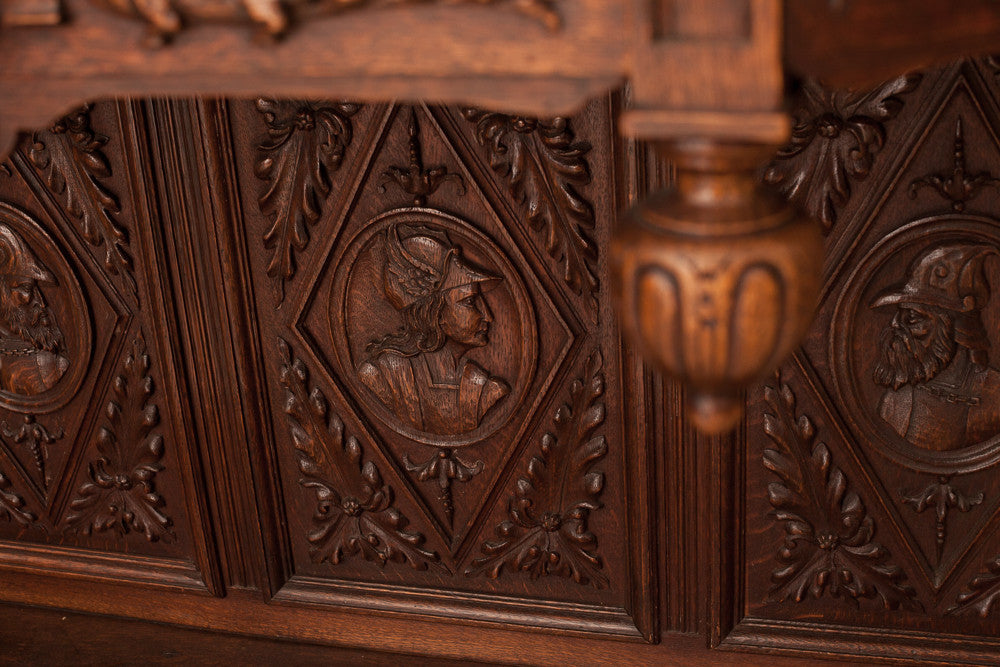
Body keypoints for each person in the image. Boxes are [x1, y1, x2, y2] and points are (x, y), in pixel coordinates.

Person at [358, 223, 508, 435]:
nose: (488, 315)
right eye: (470, 302)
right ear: (433, 313)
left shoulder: (486, 391)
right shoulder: (383, 378)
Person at [872, 243, 1000, 450]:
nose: (895, 324)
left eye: (912, 317)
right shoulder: (896, 399)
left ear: (955, 327)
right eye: (898, 314)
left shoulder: (995, 395)